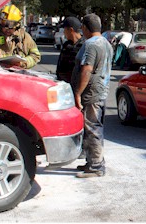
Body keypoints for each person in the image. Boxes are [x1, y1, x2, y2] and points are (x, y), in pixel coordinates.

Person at [71, 13, 113, 178]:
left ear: (85, 28)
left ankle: (96, 166)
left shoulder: (90, 45)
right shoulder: (106, 43)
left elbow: (87, 70)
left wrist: (78, 93)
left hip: (92, 93)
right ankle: (93, 162)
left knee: (92, 128)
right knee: (93, 128)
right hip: (101, 91)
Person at [0, 4, 41, 69]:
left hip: (18, 75)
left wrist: (22, 63)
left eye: (11, 25)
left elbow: (36, 56)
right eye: (4, 24)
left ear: (17, 24)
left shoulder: (25, 37)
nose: (7, 29)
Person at [55, 17, 84, 83]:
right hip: (63, 84)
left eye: (64, 30)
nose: (64, 33)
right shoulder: (66, 45)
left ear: (71, 30)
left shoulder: (84, 46)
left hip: (76, 85)